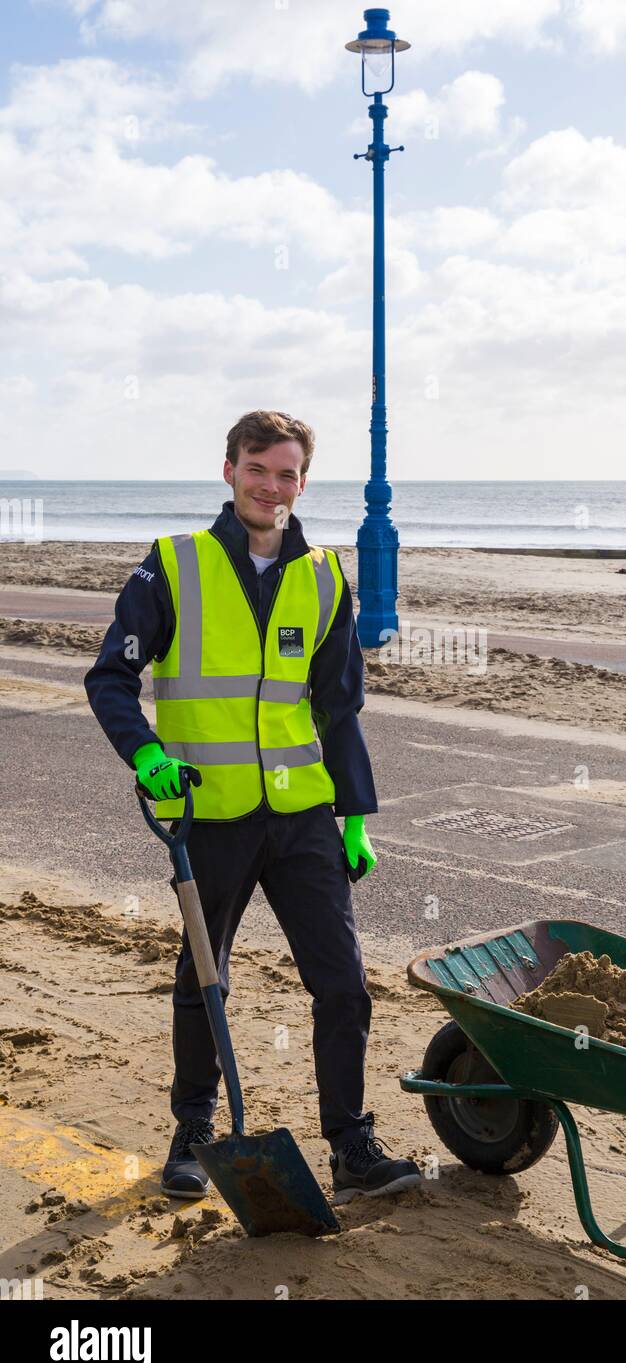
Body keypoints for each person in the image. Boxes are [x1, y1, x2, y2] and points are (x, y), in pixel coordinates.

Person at [84, 409, 421, 1207]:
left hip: (303, 816)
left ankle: (350, 1144)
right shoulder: (174, 565)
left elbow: (340, 708)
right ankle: (194, 1134)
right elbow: (109, 679)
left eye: (288, 473)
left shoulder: (326, 576)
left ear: (304, 481)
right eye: (259, 469)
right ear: (230, 469)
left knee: (342, 985)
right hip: (211, 815)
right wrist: (149, 754)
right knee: (207, 978)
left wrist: (356, 817)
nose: (274, 486)